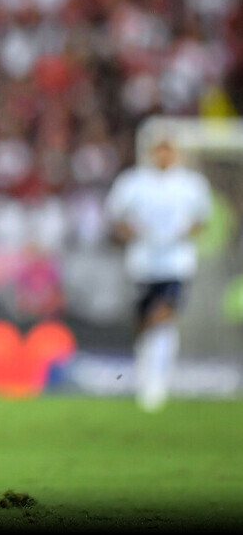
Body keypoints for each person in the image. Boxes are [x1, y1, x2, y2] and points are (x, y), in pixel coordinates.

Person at [104, 135, 213, 412]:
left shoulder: (191, 184)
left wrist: (184, 235)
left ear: (175, 153)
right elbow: (114, 217)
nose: (163, 156)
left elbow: (203, 221)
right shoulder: (133, 182)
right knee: (144, 324)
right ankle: (145, 375)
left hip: (176, 263)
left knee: (163, 317)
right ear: (152, 153)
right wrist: (129, 232)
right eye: (159, 151)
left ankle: (159, 383)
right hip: (142, 264)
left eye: (168, 151)